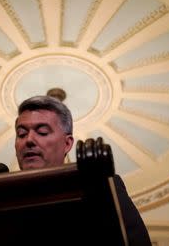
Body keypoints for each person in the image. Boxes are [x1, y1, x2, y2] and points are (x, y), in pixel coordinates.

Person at [15, 95, 152, 246]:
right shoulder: (4, 196)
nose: (28, 140)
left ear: (67, 144)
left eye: (42, 132)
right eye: (21, 134)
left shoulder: (100, 186)